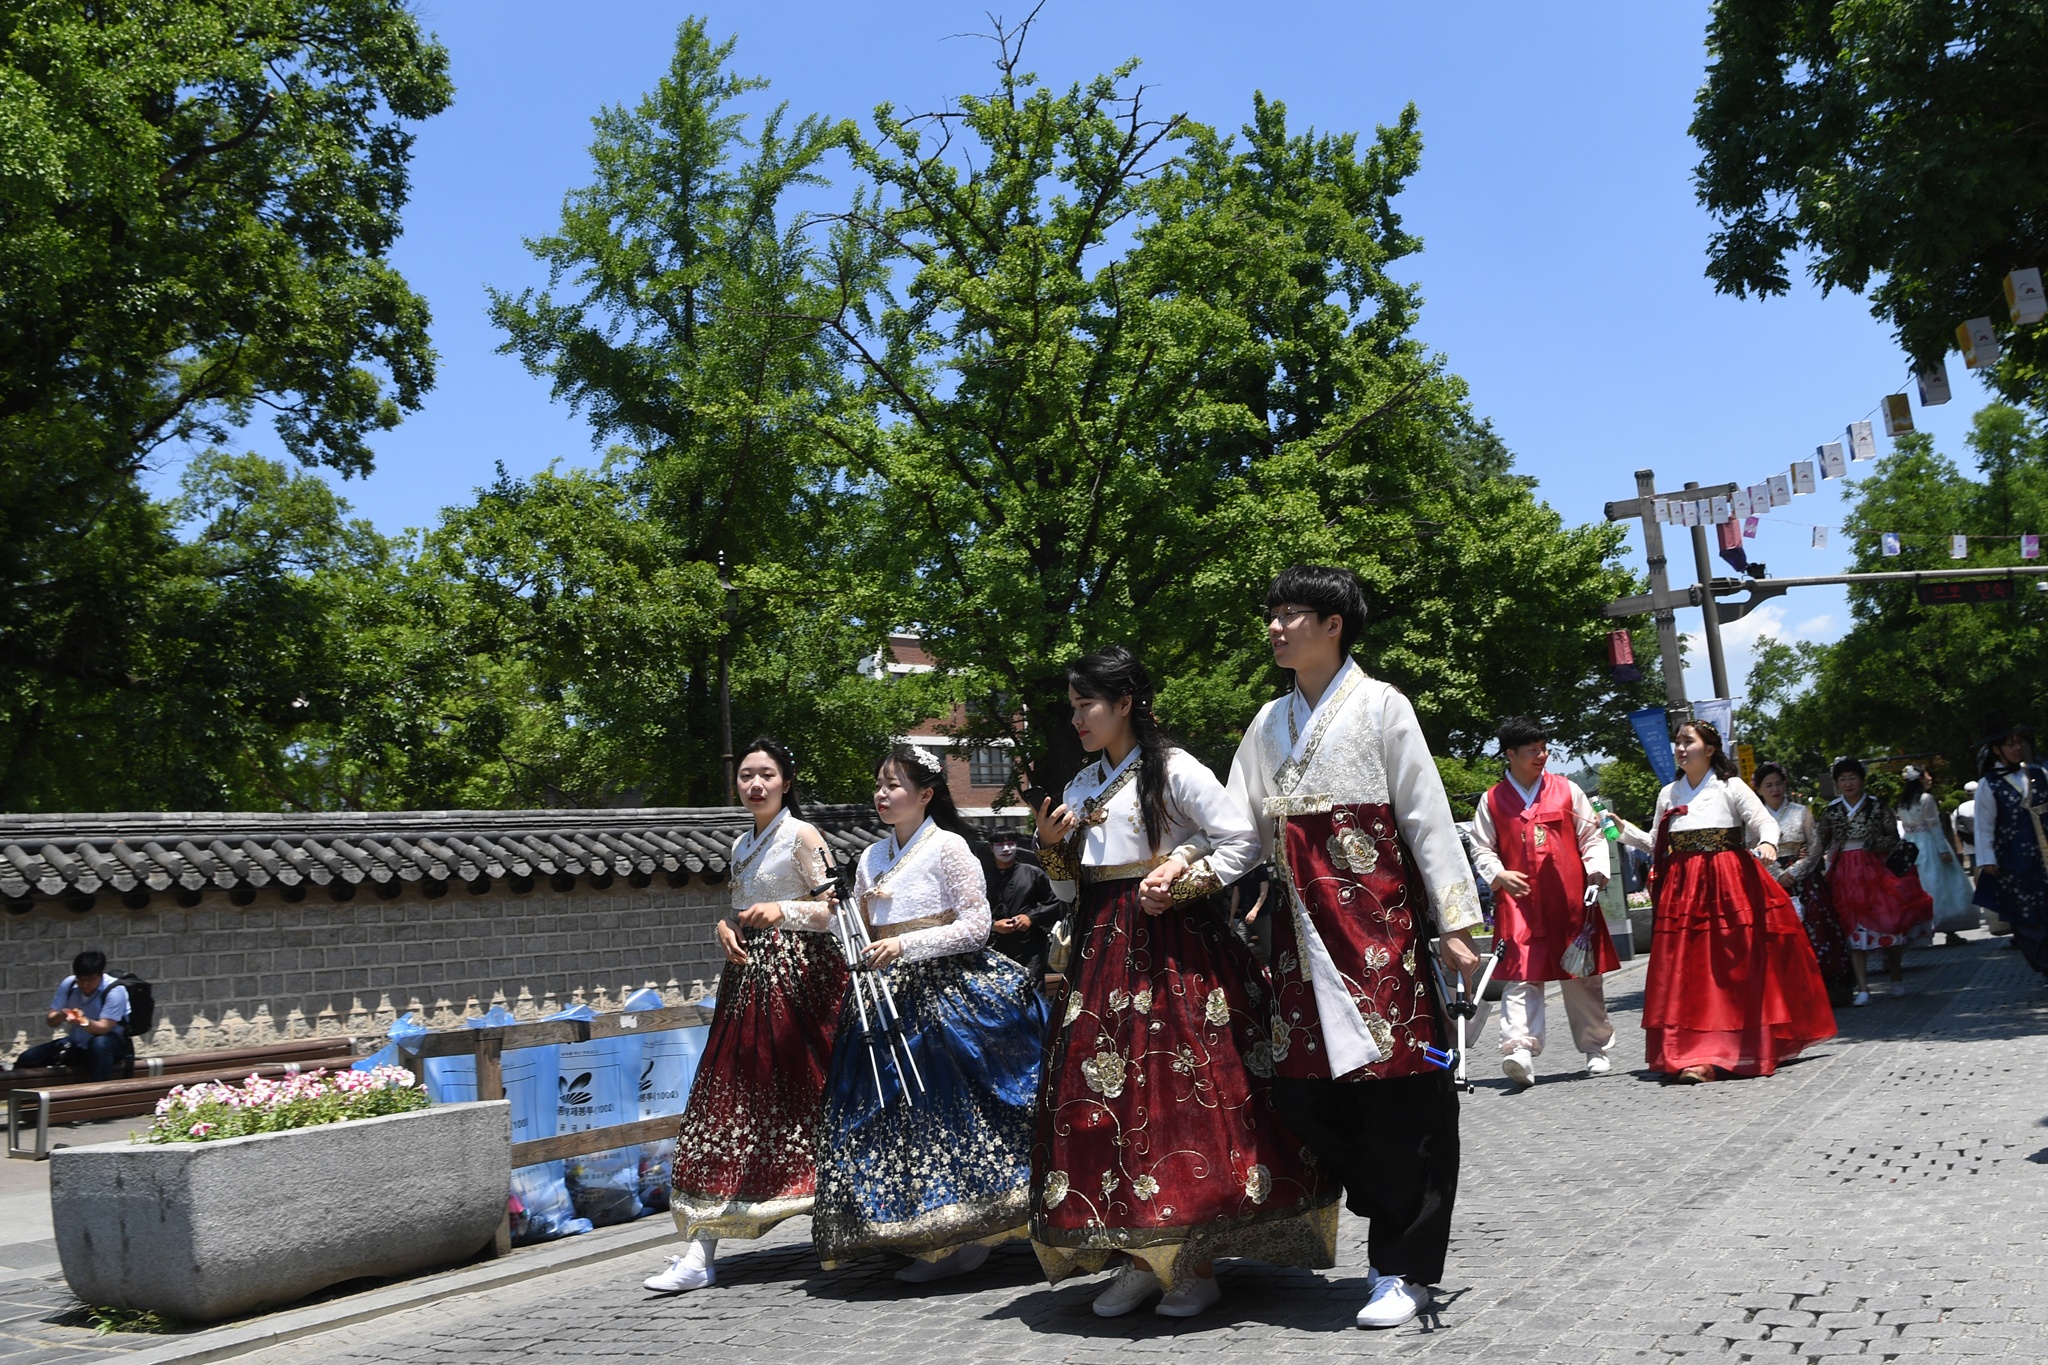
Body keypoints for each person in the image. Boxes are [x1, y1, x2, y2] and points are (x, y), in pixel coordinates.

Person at [1029, 647, 1337, 1321]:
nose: (1077, 716)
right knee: (1100, 1098)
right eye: (1074, 704)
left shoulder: (1172, 769)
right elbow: (1065, 888)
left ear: (1126, 703)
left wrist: (1184, 877)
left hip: (1174, 950)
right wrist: (1054, 850)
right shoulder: (1082, 785)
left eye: (1088, 703)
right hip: (1101, 949)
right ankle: (1139, 1255)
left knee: (1177, 1097)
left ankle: (1191, 1261)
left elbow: (1242, 840)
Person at [1222, 565, 1486, 1331]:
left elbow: (1428, 816)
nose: (1275, 627)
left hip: (1381, 936)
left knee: (1399, 1095)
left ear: (1333, 624)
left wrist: (1455, 919)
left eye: (1291, 614)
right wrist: (1192, 867)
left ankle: (1400, 1267)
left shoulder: (1382, 706)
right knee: (1302, 1092)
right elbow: (1239, 828)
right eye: (1270, 614)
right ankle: (1391, 1206)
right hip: (1298, 941)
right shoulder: (1268, 723)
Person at [810, 745, 1050, 1281]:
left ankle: (973, 1230)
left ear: (925, 794)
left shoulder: (952, 848)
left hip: (948, 994)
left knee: (953, 1109)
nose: (881, 794)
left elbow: (976, 926)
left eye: (893, 784)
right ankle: (932, 1229)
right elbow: (864, 928)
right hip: (885, 999)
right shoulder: (871, 856)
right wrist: (830, 922)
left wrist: (906, 946)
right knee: (899, 1115)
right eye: (878, 783)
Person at [645, 737, 849, 1294]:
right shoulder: (740, 844)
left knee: (813, 1099)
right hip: (746, 986)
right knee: (724, 1099)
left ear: (786, 781)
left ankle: (846, 1215)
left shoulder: (803, 835)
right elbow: (741, 908)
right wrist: (726, 926)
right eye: (745, 776)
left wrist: (783, 909)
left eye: (766, 775)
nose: (755, 785)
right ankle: (699, 1247)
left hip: (802, 986)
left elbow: (838, 910)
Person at [1619, 720, 1834, 1082]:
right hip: (1684, 890)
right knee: (1688, 970)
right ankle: (1693, 1053)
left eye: (1688, 741)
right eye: (1678, 742)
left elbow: (1764, 822)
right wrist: (1622, 829)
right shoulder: (1668, 793)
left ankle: (1733, 1046)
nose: (1680, 748)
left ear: (1711, 748)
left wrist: (1767, 842)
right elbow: (1657, 842)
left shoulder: (1730, 786)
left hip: (1727, 884)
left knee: (1731, 966)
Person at [1467, 716, 1616, 1086]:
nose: (1541, 755)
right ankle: (1519, 1049)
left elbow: (1591, 836)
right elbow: (1481, 846)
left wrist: (1596, 870)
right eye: (1532, 750)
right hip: (1519, 903)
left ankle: (1595, 1047)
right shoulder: (1492, 800)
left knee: (1581, 974)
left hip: (1569, 898)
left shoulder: (1567, 790)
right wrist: (1498, 874)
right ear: (1510, 754)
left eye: (1544, 748)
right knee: (1521, 975)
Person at [1807, 758, 1933, 1003]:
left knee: (1890, 921)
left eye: (1852, 777)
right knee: (1852, 927)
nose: (1848, 783)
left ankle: (1896, 975)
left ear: (1862, 779)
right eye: (1842, 779)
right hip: (1845, 872)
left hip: (1877, 868)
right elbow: (1820, 842)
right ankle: (1863, 987)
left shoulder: (1876, 806)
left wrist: (1875, 844)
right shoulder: (1832, 810)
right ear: (1836, 783)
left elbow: (1894, 838)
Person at [1752, 762, 1852, 1008]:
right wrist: (1777, 874)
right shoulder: (1755, 819)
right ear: (1759, 790)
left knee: (1817, 927)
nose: (1775, 789)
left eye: (1778, 783)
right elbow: (1751, 849)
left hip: (1804, 878)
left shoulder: (1801, 811)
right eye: (1768, 785)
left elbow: (1816, 846)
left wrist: (1794, 872)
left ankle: (1825, 987)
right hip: (1771, 881)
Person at [1972, 717, 2048, 978]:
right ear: (1996, 749)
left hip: (2044, 857)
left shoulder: (2038, 774)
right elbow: (1983, 827)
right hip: (2014, 862)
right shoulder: (1988, 784)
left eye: (2018, 742)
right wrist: (1986, 861)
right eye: (2009, 744)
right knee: (2027, 920)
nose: (2016, 748)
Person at [15, 951, 132, 1082]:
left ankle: (100, 1095)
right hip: (79, 1044)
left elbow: (103, 1028)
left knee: (99, 1044)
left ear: (100, 974)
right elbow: (51, 1021)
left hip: (111, 1046)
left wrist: (82, 1020)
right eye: (81, 979)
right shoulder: (70, 984)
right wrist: (62, 1014)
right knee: (28, 1059)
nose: (85, 985)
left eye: (90, 979)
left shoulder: (115, 990)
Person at [1896, 766, 1976, 945]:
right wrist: (1943, 849)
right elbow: (1933, 825)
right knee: (1942, 884)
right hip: (1929, 843)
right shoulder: (1926, 799)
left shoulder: (1903, 801)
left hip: (1910, 845)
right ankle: (1949, 930)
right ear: (1920, 778)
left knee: (1918, 886)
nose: (1930, 778)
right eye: (1927, 774)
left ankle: (1919, 930)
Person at [986, 828, 1066, 985]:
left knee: (1032, 992)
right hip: (994, 949)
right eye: (1000, 844)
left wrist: (1031, 917)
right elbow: (970, 914)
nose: (1006, 849)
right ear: (990, 847)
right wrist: (993, 926)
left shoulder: (1033, 873)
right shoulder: (982, 878)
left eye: (1010, 843)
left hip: (1030, 948)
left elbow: (1055, 901)